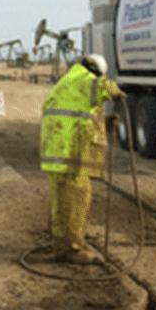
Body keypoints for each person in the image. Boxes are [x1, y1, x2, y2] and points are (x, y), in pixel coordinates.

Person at [40, 54, 126, 264]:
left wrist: (104, 123)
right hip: (68, 152)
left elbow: (79, 117)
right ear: (95, 70)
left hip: (58, 151)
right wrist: (115, 91)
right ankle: (70, 249)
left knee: (62, 198)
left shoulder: (67, 82)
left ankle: (60, 241)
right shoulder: (84, 79)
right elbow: (101, 86)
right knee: (77, 199)